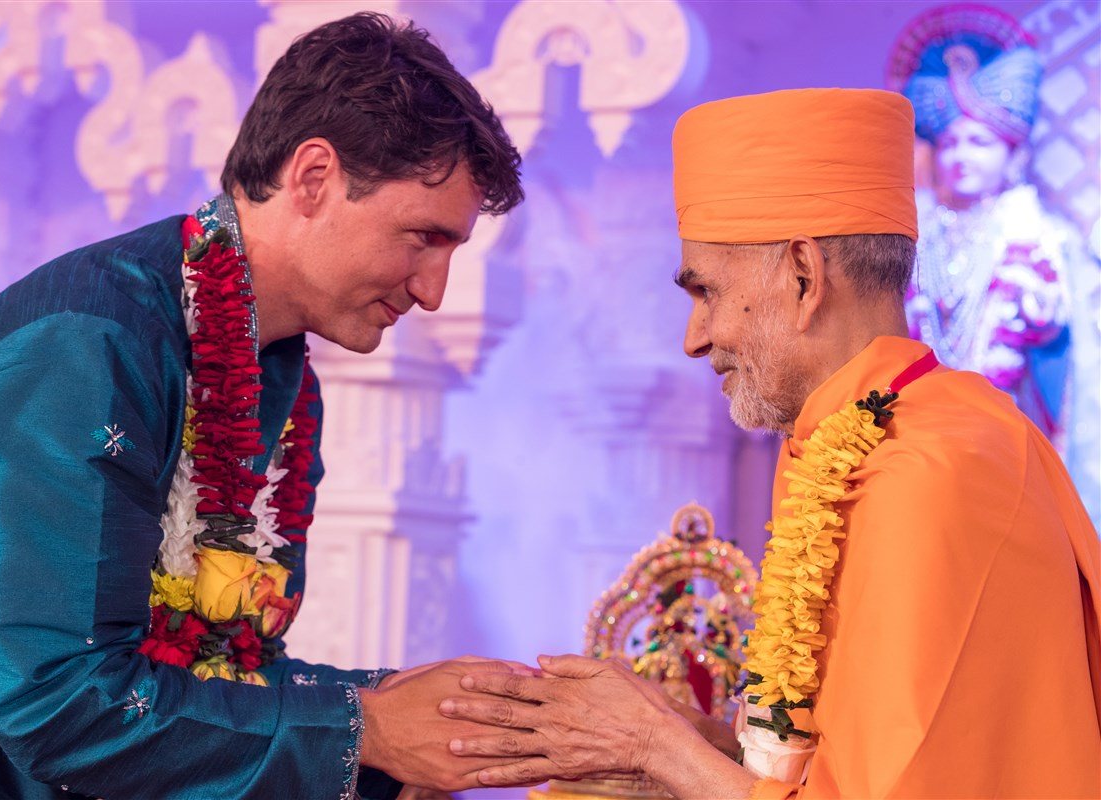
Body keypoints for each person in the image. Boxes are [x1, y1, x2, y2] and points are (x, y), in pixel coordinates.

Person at [0, 13, 527, 800]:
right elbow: (58, 699)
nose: (433, 292)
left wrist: (408, 716)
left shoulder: (280, 376)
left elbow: (210, 669)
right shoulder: (91, 344)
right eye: (422, 238)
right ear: (312, 178)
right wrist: (366, 729)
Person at [438, 89, 1101, 799]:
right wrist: (686, 733)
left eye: (707, 293)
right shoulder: (839, 438)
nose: (694, 338)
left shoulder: (935, 470)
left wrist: (653, 746)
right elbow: (833, 760)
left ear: (804, 276)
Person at [888, 3, 1099, 526]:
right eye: (951, 142)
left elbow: (1059, 365)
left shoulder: (1037, 240)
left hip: (1008, 452)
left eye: (980, 142)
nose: (962, 156)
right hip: (913, 451)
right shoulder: (910, 242)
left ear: (1012, 155)